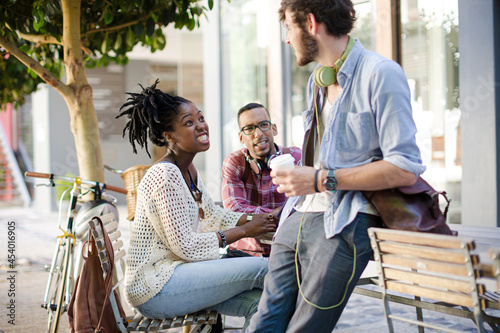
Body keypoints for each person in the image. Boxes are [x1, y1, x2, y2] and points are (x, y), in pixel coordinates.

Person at [247, 1, 426, 332]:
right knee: (264, 321)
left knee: (306, 327)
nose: (287, 39)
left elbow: (405, 167)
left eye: (289, 28)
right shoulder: (317, 82)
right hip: (297, 215)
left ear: (311, 23)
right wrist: (299, 179)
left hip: (344, 223)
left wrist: (318, 179)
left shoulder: (381, 74)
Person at [118, 80, 278, 332]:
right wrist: (248, 230)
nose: (201, 125)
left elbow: (212, 215)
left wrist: (255, 221)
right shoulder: (165, 176)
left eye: (200, 118)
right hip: (155, 288)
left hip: (178, 276)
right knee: (265, 269)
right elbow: (187, 247)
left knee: (261, 304)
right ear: (169, 136)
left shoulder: (187, 169)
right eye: (189, 123)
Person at [221, 103, 301, 257]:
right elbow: (235, 210)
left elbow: (305, 205)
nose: (258, 134)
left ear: (274, 129)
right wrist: (279, 214)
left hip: (286, 250)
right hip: (243, 251)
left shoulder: (296, 157)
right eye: (249, 128)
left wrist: (265, 216)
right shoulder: (234, 162)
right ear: (241, 137)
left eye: (263, 125)